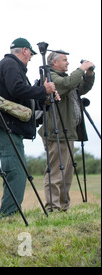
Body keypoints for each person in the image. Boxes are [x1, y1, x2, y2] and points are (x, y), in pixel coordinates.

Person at [0, 38, 57, 218]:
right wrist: (43, 90)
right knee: (15, 170)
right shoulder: (10, 64)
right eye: (31, 54)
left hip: (11, 125)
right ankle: (9, 215)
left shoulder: (11, 65)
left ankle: (11, 213)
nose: (31, 58)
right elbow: (17, 89)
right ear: (24, 50)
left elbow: (19, 95)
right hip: (7, 124)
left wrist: (43, 97)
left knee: (18, 169)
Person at [38, 52, 95, 212]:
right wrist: (81, 68)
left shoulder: (65, 78)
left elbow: (81, 88)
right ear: (54, 62)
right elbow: (69, 83)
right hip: (56, 131)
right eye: (65, 60)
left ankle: (63, 207)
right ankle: (52, 208)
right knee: (55, 171)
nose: (68, 63)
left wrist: (89, 74)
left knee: (67, 173)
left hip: (67, 131)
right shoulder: (51, 78)